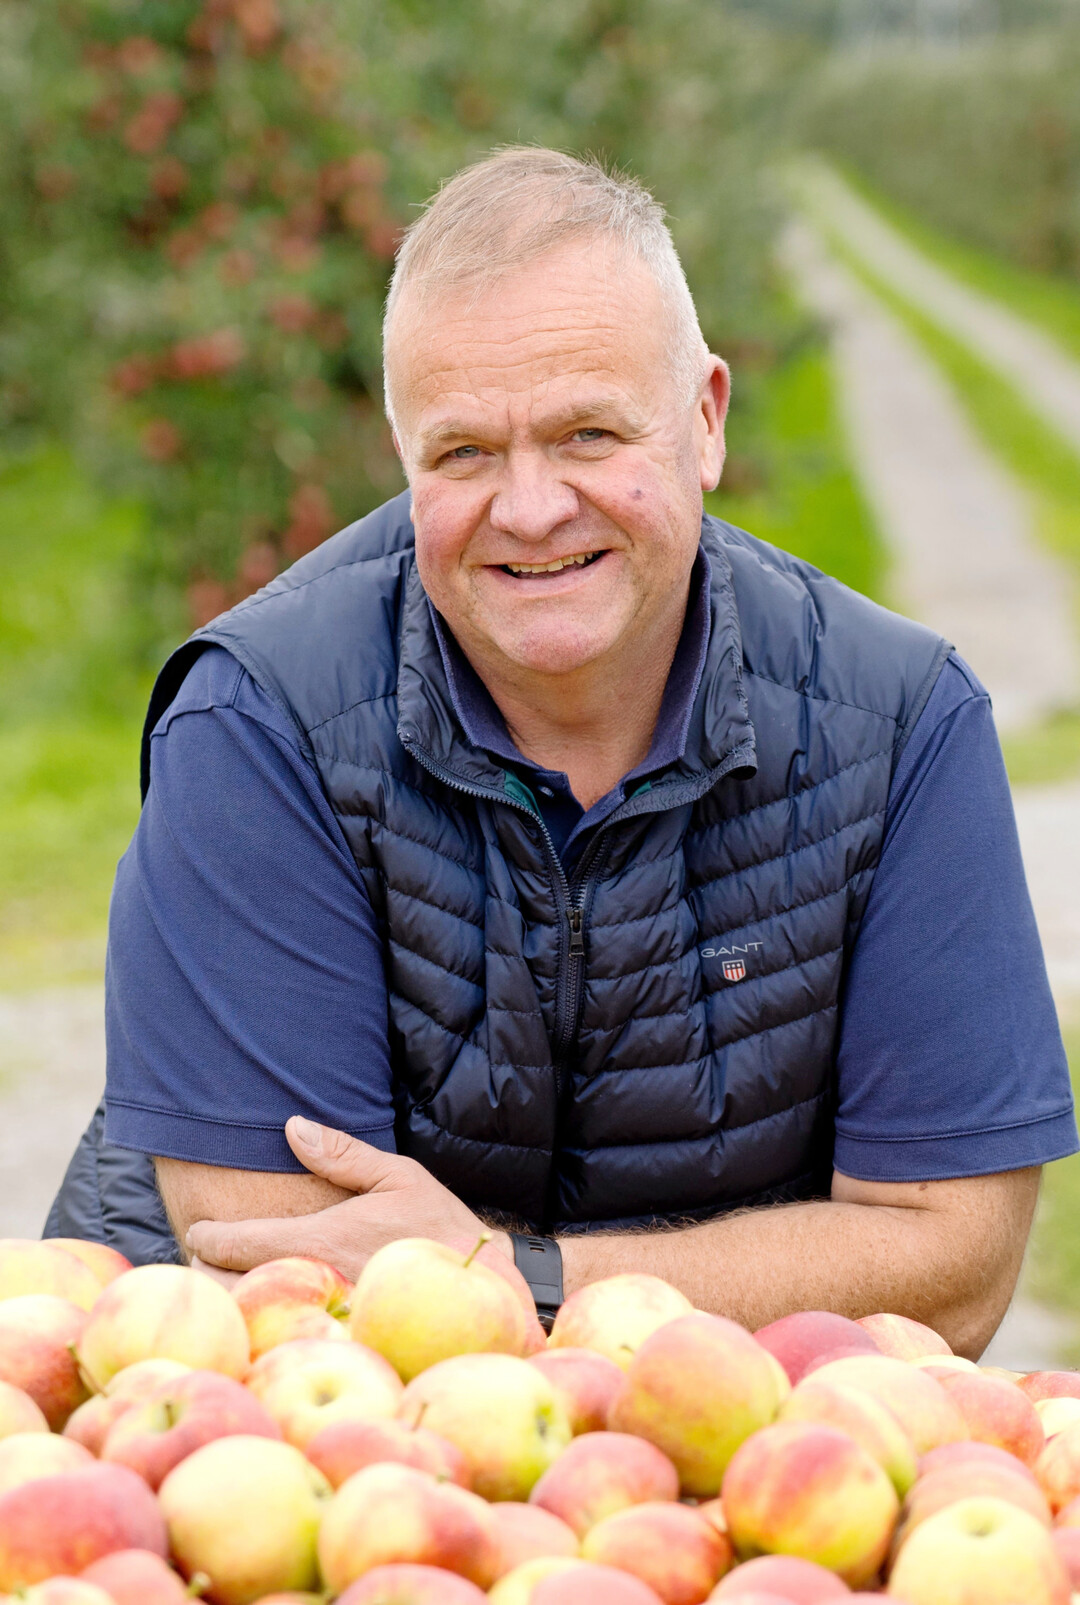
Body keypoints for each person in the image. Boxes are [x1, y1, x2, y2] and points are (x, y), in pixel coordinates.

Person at [49, 148, 1076, 1355]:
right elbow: (278, 1273)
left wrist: (513, 1278)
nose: (530, 509)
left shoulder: (901, 726)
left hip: (709, 1458)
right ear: (403, 461)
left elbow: (951, 1264)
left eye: (588, 434)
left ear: (704, 422)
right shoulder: (260, 722)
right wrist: (709, 1296)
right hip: (256, 1453)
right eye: (465, 453)